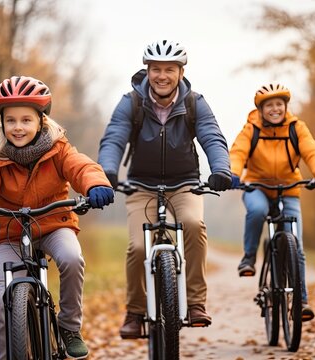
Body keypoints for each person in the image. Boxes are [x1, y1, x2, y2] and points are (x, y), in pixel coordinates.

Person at [0, 76, 114, 360]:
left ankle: (69, 328)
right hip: (11, 233)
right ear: (1, 123)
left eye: (26, 119)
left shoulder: (58, 149)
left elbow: (81, 167)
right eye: (11, 120)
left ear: (41, 120)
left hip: (53, 225)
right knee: (0, 305)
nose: (18, 127)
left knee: (72, 259)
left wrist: (95, 185)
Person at [97, 40, 232, 339]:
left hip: (185, 184)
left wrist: (220, 169)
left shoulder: (195, 103)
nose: (162, 75)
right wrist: (107, 170)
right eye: (155, 69)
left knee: (194, 226)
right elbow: (114, 138)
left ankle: (196, 303)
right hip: (140, 185)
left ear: (181, 72)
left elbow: (212, 136)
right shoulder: (131, 102)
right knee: (137, 247)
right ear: (147, 70)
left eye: (169, 69)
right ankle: (134, 311)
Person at [229, 83, 315, 321]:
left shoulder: (296, 128)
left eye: (279, 104)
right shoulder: (251, 128)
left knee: (296, 243)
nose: (275, 109)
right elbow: (238, 152)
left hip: (289, 187)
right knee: (257, 210)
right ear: (261, 109)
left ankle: (301, 301)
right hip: (256, 185)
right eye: (269, 105)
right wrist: (234, 174)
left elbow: (312, 151)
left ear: (285, 107)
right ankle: (249, 257)